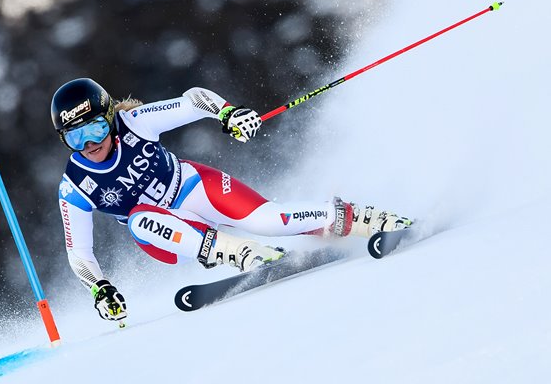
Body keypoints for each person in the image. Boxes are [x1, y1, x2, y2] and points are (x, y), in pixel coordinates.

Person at [52, 78, 411, 322]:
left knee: (269, 221)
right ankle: (242, 254)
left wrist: (228, 113)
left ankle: (363, 219)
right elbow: (79, 254)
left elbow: (192, 100)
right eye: (75, 137)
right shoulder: (75, 187)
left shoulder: (135, 123)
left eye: (96, 127)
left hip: (192, 186)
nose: (89, 144)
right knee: (139, 218)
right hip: (164, 233)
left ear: (111, 119)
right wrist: (100, 289)